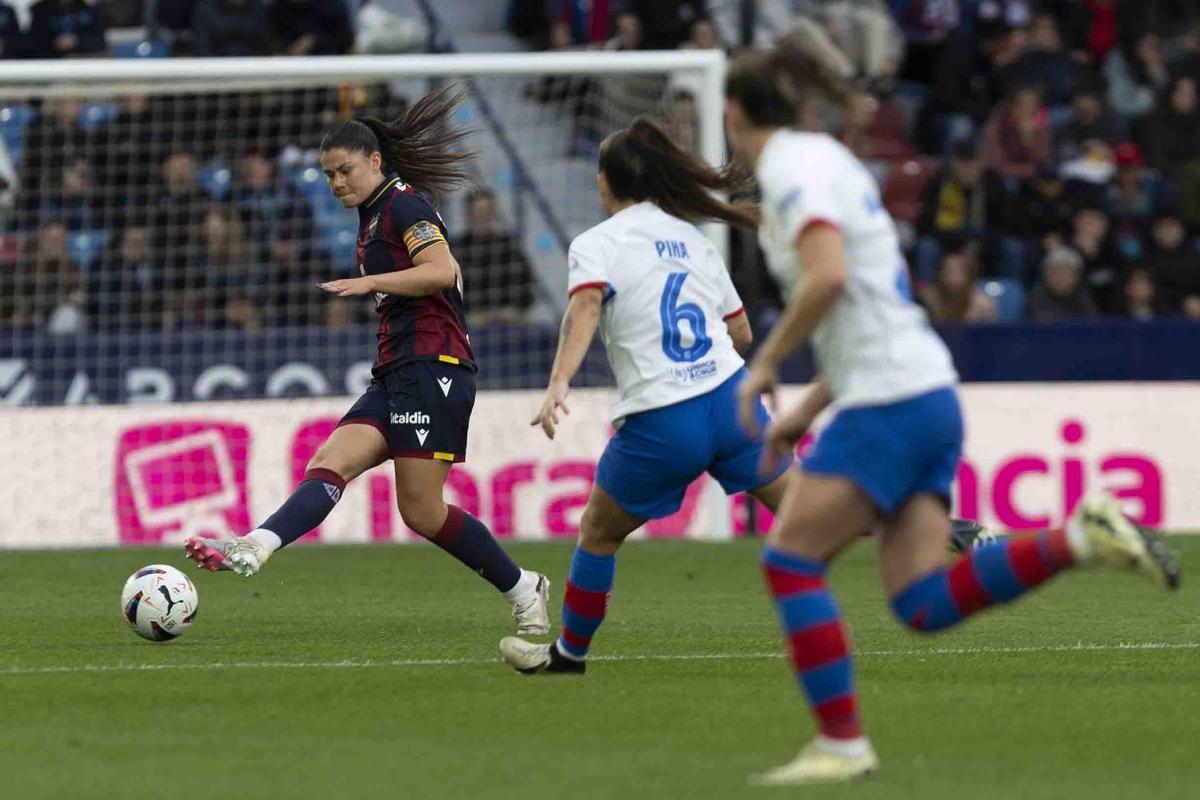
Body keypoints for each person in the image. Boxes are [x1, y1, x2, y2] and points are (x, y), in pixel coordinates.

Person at [723, 24, 1180, 785]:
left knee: (791, 560)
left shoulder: (797, 173)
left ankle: (841, 745)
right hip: (920, 387)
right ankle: (1078, 538)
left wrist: (763, 365)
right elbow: (873, 297)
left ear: (734, 112)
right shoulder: (830, 162)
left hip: (889, 400)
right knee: (924, 603)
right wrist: (803, 412)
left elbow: (829, 278)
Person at [497, 117, 990, 676]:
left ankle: (569, 654)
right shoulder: (693, 238)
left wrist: (560, 379)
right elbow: (740, 334)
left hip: (664, 418)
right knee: (809, 510)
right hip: (732, 404)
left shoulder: (596, 244)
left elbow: (585, 306)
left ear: (606, 181)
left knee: (599, 532)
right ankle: (943, 528)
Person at [184, 88, 551, 636]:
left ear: (375, 161)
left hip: (435, 368)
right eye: (329, 175)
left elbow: (441, 270)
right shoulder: (374, 214)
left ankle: (525, 587)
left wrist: (372, 282)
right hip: (397, 371)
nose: (336, 183)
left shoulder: (404, 203)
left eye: (345, 170)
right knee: (329, 464)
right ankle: (253, 547)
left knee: (422, 512)